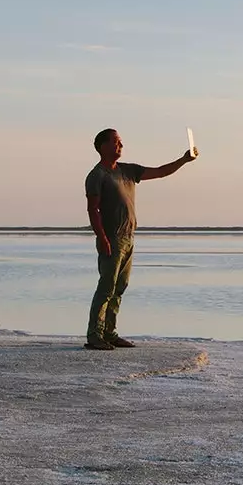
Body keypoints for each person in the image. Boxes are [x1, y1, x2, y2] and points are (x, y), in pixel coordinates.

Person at [84, 128, 197, 350]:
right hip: (112, 238)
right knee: (106, 287)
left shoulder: (128, 171)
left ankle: (109, 332)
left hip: (129, 237)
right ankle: (94, 335)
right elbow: (92, 209)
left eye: (121, 142)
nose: (121, 146)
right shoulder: (97, 175)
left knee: (120, 286)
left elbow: (161, 171)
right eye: (116, 142)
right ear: (103, 146)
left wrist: (184, 160)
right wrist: (102, 237)